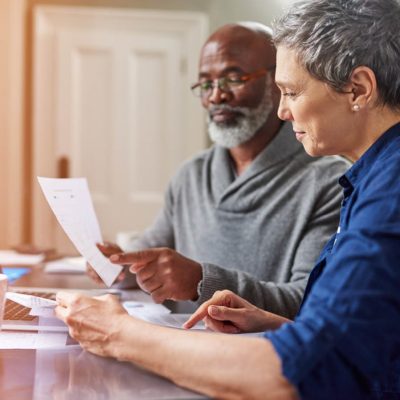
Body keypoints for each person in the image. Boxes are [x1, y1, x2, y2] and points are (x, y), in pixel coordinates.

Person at [56, 0, 400, 398]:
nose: (284, 111)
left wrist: (119, 333)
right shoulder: (369, 180)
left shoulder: (388, 195)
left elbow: (300, 371)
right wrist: (273, 324)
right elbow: (355, 342)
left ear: (358, 89)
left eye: (289, 91)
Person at [88, 22, 348, 318]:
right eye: (206, 84)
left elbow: (308, 299)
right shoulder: (191, 176)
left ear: (278, 82)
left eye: (233, 78)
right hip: (174, 346)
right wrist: (119, 265)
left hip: (254, 357)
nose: (215, 96)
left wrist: (201, 282)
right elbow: (148, 258)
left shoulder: (329, 182)